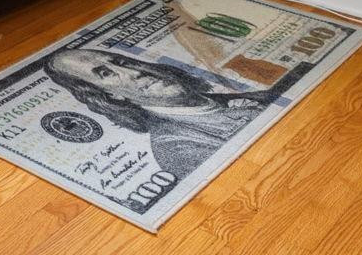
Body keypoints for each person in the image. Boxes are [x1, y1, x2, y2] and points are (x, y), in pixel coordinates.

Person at [43, 46, 285, 181]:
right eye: (105, 73)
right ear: (110, 96)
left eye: (121, 61)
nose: (135, 72)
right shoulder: (178, 146)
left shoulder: (220, 100)